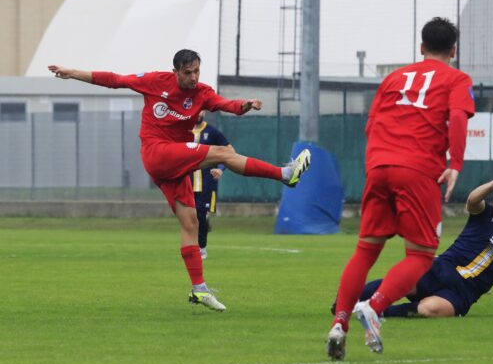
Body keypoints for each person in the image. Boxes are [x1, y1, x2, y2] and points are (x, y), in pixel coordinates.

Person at [48, 49, 311, 313]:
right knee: (224, 154)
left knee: (191, 223)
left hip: (172, 163)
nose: (194, 77)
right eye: (188, 73)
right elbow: (113, 79)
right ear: (175, 72)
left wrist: (245, 104)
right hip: (156, 153)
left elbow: (227, 105)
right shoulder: (155, 81)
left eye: (197, 71)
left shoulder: (202, 92)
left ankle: (199, 289)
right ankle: (285, 175)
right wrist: (71, 72)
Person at [327, 17, 475, 361]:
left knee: (365, 252)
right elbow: (456, 117)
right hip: (418, 169)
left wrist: (380, 162)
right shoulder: (457, 78)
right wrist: (455, 164)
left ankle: (339, 323)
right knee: (421, 255)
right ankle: (375, 307)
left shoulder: (393, 78)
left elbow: (371, 125)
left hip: (378, 166)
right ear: (453, 50)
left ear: (421, 48)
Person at [331, 173, 493, 319]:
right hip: (440, 268)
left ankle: (370, 312)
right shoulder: (484, 213)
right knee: (400, 282)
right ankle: (343, 305)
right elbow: (472, 200)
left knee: (428, 310)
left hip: (462, 293)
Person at [190, 111, 232, 260]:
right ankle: (192, 247)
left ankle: (202, 248)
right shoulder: (183, 131)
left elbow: (229, 152)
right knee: (189, 217)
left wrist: (220, 169)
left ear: (204, 112)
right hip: (188, 182)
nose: (198, 113)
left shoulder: (212, 132)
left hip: (206, 183)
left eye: (201, 110)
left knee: (201, 215)